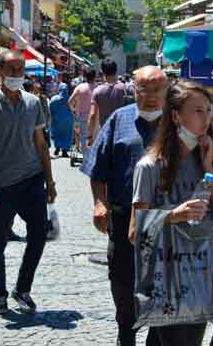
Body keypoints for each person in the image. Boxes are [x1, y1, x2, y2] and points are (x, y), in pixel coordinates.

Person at [129, 80, 213, 346]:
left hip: (200, 274)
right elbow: (134, 232)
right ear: (175, 115)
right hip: (165, 279)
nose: (206, 118)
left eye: (208, 110)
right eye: (198, 110)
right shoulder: (150, 166)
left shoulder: (211, 160)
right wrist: (174, 214)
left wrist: (209, 167)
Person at [80, 66, 168, 346]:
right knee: (122, 279)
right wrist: (99, 203)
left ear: (167, 92)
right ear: (134, 90)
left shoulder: (179, 123)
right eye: (144, 88)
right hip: (123, 216)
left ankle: (157, 336)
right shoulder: (120, 119)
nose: (151, 95)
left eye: (157, 89)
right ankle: (125, 333)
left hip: (167, 218)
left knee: (163, 280)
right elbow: (97, 169)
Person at [0, 50, 57, 314]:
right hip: (1, 184)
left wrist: (50, 181)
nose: (17, 74)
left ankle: (23, 289)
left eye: (21, 70)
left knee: (39, 235)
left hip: (32, 179)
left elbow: (41, 144)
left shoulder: (33, 103)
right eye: (12, 69)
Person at [87, 58, 124, 145]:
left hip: (106, 132)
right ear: (116, 70)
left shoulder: (98, 91)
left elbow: (92, 115)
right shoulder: (126, 88)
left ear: (102, 72)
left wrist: (89, 136)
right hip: (124, 132)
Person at [69, 68, 97, 157]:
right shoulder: (98, 88)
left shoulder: (79, 87)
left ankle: (86, 160)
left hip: (82, 118)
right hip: (96, 118)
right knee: (95, 140)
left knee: (84, 140)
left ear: (85, 76)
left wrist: (73, 110)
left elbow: (70, 101)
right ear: (95, 77)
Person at [49, 83, 74, 158]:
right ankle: (64, 151)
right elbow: (73, 108)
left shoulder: (54, 98)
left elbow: (50, 109)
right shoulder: (70, 98)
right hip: (68, 120)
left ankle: (57, 148)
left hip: (57, 119)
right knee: (66, 134)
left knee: (56, 133)